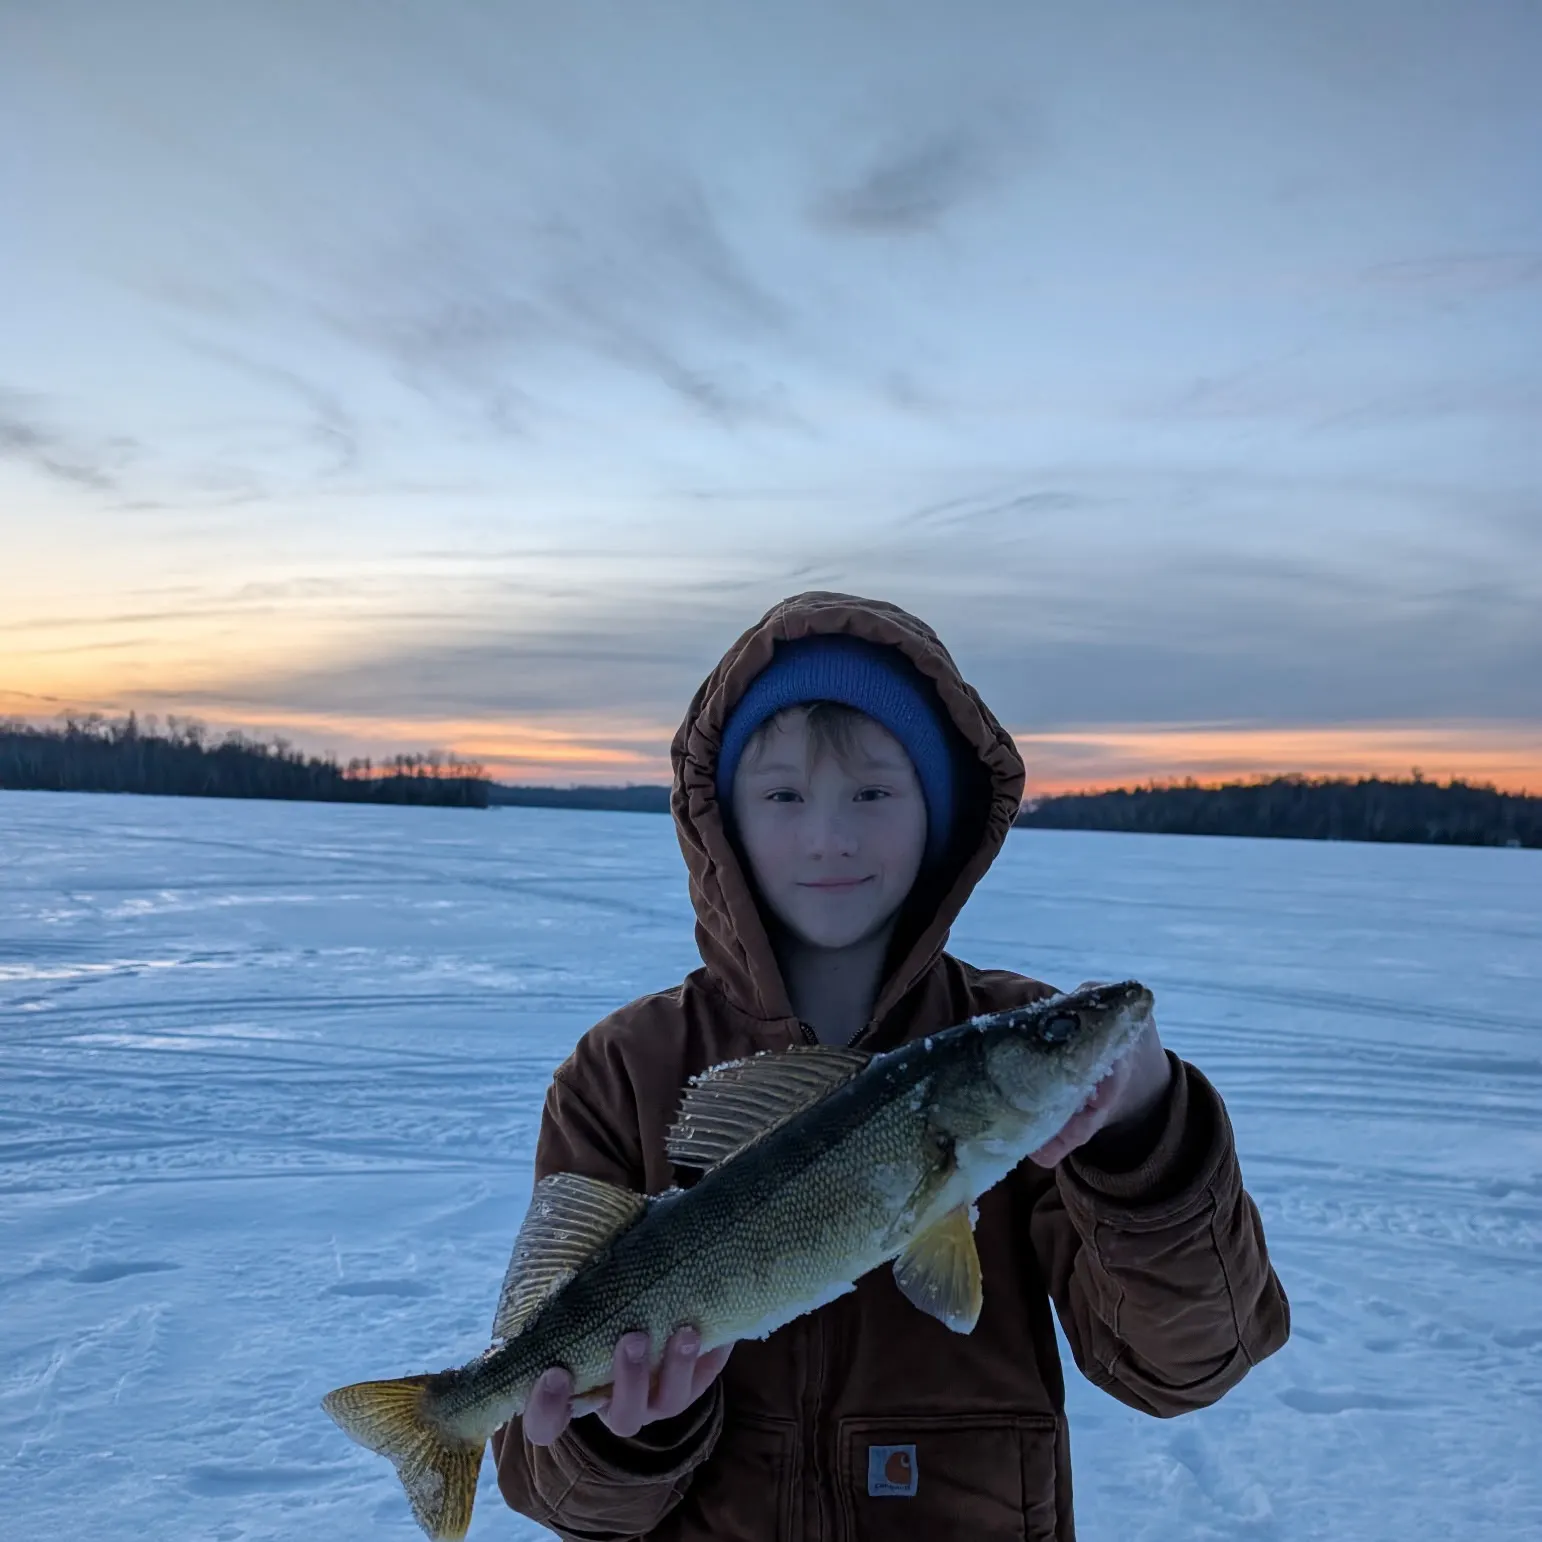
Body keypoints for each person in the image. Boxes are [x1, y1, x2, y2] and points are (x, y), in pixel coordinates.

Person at [491, 591, 1289, 1541]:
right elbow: (549, 1482)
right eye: (784, 795)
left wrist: (1148, 1137)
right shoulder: (623, 1072)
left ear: (937, 813)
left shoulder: (1010, 1043)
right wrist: (627, 1437)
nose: (830, 835)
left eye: (872, 792)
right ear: (722, 821)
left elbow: (1183, 1367)